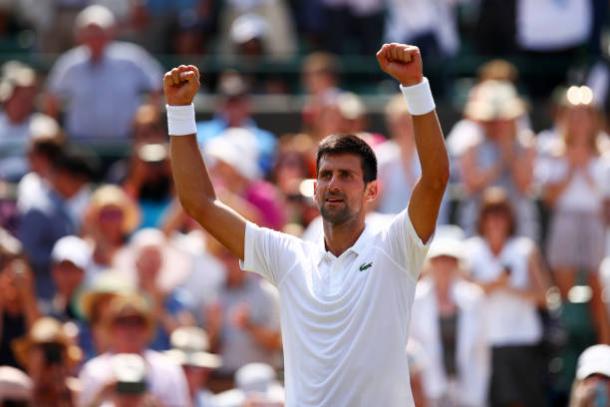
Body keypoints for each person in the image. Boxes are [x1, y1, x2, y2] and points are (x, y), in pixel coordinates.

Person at [165, 41, 449, 406]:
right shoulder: (288, 257)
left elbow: (436, 178)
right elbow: (199, 204)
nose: (333, 184)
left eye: (347, 175)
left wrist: (415, 86)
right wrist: (179, 111)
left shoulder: (396, 246)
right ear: (314, 190)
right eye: (326, 175)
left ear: (372, 191)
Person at [464, 187, 548, 407]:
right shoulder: (470, 251)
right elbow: (462, 289)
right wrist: (494, 285)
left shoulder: (525, 249)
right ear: (482, 219)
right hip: (486, 341)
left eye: (501, 215)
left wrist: (509, 288)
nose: (495, 222)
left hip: (523, 341)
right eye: (490, 215)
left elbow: (544, 297)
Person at [44, 5, 163, 140]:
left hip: (125, 142)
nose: (94, 38)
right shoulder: (69, 63)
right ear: (80, 36)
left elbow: (157, 84)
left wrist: (146, 118)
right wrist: (56, 132)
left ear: (111, 33)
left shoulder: (132, 58)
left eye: (99, 33)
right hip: (81, 146)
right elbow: (51, 96)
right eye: (89, 33)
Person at [410, 235, 489, 406]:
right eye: (439, 260)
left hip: (467, 389)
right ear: (431, 263)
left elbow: (481, 350)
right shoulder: (415, 298)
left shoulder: (474, 298)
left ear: (457, 264)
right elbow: (412, 349)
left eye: (449, 260)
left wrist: (478, 392)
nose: (444, 266)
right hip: (429, 390)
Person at [78, 294, 189, 407]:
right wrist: (102, 394)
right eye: (122, 322)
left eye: (137, 322)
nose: (130, 330)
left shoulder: (168, 370)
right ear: (110, 327)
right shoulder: (94, 371)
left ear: (148, 327)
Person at [12, 317, 82, 407]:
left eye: (55, 349)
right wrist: (37, 381)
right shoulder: (17, 393)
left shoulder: (77, 393)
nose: (49, 355)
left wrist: (63, 391)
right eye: (42, 348)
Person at [165, 327, 222, 407]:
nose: (183, 373)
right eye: (180, 367)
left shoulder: (208, 402)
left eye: (192, 368)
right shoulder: (158, 399)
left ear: (204, 372)